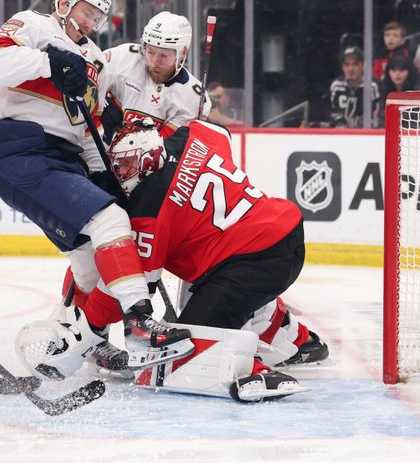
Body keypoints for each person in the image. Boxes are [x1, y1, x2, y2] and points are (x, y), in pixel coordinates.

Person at [0, 0, 194, 380]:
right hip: (20, 148)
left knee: (91, 258)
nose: (91, 22)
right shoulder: (35, 25)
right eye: (85, 11)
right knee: (110, 221)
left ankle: (71, 340)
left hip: (64, 158)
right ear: (63, 2)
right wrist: (48, 60)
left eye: (98, 16)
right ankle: (139, 323)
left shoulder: (94, 58)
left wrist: (103, 174)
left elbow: (86, 128)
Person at [105, 118, 315, 401]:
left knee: (185, 351)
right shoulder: (191, 136)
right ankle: (298, 338)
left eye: (128, 164)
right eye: (119, 165)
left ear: (149, 158)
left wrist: (93, 328)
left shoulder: (147, 210)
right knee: (218, 293)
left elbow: (138, 290)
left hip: (253, 264)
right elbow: (219, 130)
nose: (121, 173)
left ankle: (253, 372)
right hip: (282, 232)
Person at [99, 11, 212, 145]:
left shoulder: (192, 98)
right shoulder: (120, 58)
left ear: (182, 53)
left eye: (163, 56)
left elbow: (166, 151)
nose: (153, 62)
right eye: (150, 52)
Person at [329, 46, 380, 128]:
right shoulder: (336, 86)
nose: (351, 69)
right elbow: (333, 113)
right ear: (342, 67)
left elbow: (376, 115)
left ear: (363, 66)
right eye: (347, 65)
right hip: (340, 134)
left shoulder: (372, 86)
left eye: (355, 64)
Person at [378, 55, 420, 125]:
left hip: (417, 131)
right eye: (394, 70)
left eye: (402, 70)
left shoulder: (419, 90)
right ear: (388, 72)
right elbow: (381, 116)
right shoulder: (383, 89)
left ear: (409, 71)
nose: (397, 74)